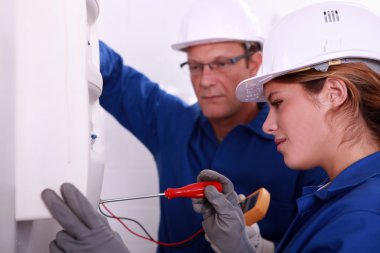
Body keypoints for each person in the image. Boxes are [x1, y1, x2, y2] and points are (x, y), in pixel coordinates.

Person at [41, 0, 326, 252]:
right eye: (195, 66)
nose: (205, 80)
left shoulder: (297, 144)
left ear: (255, 62)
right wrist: (62, 19)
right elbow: (113, 73)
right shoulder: (170, 121)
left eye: (221, 63)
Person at [193, 1, 380, 252]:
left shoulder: (361, 218)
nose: (269, 126)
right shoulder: (342, 196)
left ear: (334, 93)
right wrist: (250, 246)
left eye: (278, 102)